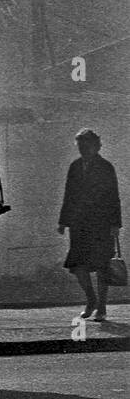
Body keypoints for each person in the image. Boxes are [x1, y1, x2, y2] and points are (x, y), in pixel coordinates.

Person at [58, 128, 122, 321]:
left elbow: (113, 196)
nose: (83, 149)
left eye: (86, 145)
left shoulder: (106, 167)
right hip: (79, 223)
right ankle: (91, 300)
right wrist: (63, 221)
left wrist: (115, 224)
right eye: (80, 146)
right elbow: (69, 195)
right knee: (78, 265)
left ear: (96, 146)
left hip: (101, 223)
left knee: (102, 266)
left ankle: (101, 307)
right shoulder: (75, 167)